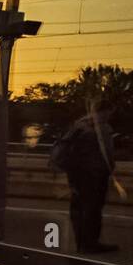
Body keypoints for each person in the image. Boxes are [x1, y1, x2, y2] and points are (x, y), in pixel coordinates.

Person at [51, 101, 120, 253]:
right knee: (93, 209)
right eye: (110, 111)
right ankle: (90, 244)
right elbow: (108, 154)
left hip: (76, 174)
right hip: (94, 174)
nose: (111, 115)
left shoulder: (78, 125)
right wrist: (110, 169)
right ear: (106, 110)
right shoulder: (101, 128)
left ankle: (81, 242)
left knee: (79, 208)